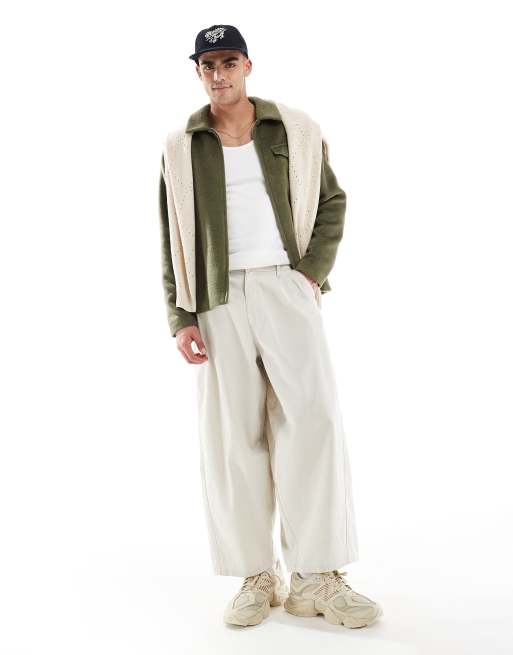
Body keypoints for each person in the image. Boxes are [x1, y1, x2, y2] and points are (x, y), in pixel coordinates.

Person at [158, 23, 383, 628]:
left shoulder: (294, 129)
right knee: (234, 436)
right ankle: (257, 575)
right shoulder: (181, 146)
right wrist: (180, 315)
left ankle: (318, 576)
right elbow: (170, 231)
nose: (219, 74)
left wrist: (309, 274)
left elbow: (331, 201)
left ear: (248, 66)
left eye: (228, 62)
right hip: (216, 296)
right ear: (198, 71)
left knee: (312, 421)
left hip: (286, 284)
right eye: (208, 65)